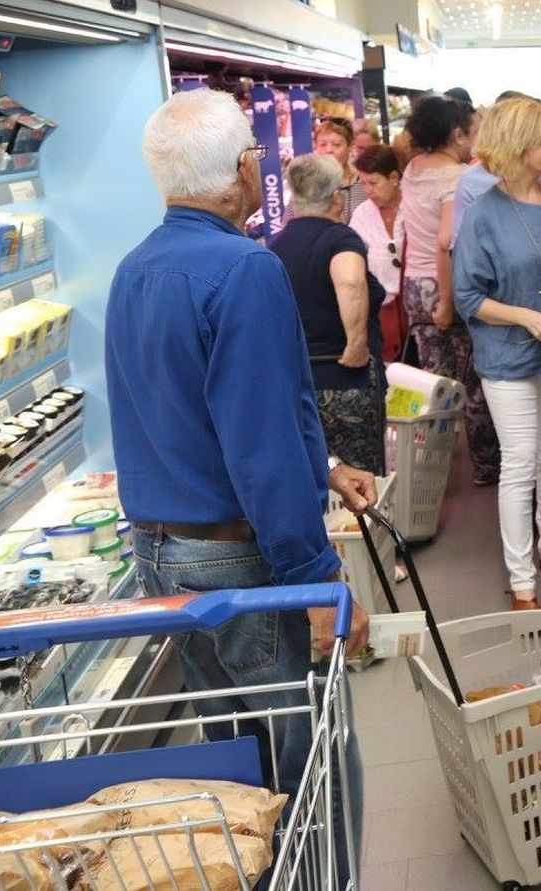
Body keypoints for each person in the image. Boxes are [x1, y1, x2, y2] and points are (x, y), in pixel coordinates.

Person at [107, 89, 378, 886]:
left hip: (164, 557)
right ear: (240, 171)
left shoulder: (133, 269)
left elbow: (194, 409)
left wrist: (324, 464)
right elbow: (259, 442)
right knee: (309, 762)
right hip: (239, 560)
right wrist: (317, 582)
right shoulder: (245, 269)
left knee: (235, 768)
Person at [453, 97, 541, 610]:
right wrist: (524, 316)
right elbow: (468, 298)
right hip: (508, 357)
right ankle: (521, 577)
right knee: (519, 464)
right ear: (515, 145)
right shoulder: (483, 215)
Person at [399, 95, 502, 486]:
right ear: (458, 135)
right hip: (446, 286)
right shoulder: (456, 177)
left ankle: (430, 466)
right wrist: (447, 300)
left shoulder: (412, 169)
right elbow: (446, 242)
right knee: (472, 383)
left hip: (414, 285)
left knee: (433, 381)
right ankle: (486, 465)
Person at [271, 154, 387, 477]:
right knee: (359, 480)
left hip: (297, 383)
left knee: (311, 476)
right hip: (346, 381)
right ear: (336, 196)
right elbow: (350, 281)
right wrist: (357, 343)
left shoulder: (276, 246)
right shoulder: (340, 239)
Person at [348, 145, 408, 363]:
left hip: (415, 308)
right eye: (363, 183)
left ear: (394, 178)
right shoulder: (362, 214)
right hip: (381, 313)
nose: (368, 190)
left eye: (373, 183)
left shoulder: (414, 206)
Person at [314, 117, 365, 220]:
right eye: (322, 144)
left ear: (350, 146)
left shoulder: (364, 181)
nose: (329, 150)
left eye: (336, 144)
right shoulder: (307, 185)